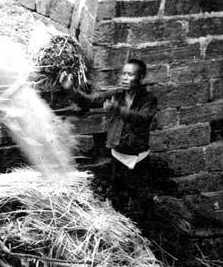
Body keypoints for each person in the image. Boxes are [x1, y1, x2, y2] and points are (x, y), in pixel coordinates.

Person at [60, 59, 157, 215]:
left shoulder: (148, 99)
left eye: (130, 74)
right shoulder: (116, 95)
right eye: (124, 74)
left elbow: (142, 119)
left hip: (139, 159)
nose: (125, 78)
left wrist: (118, 109)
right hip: (118, 156)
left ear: (141, 77)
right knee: (118, 197)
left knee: (141, 199)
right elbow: (89, 101)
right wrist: (71, 89)